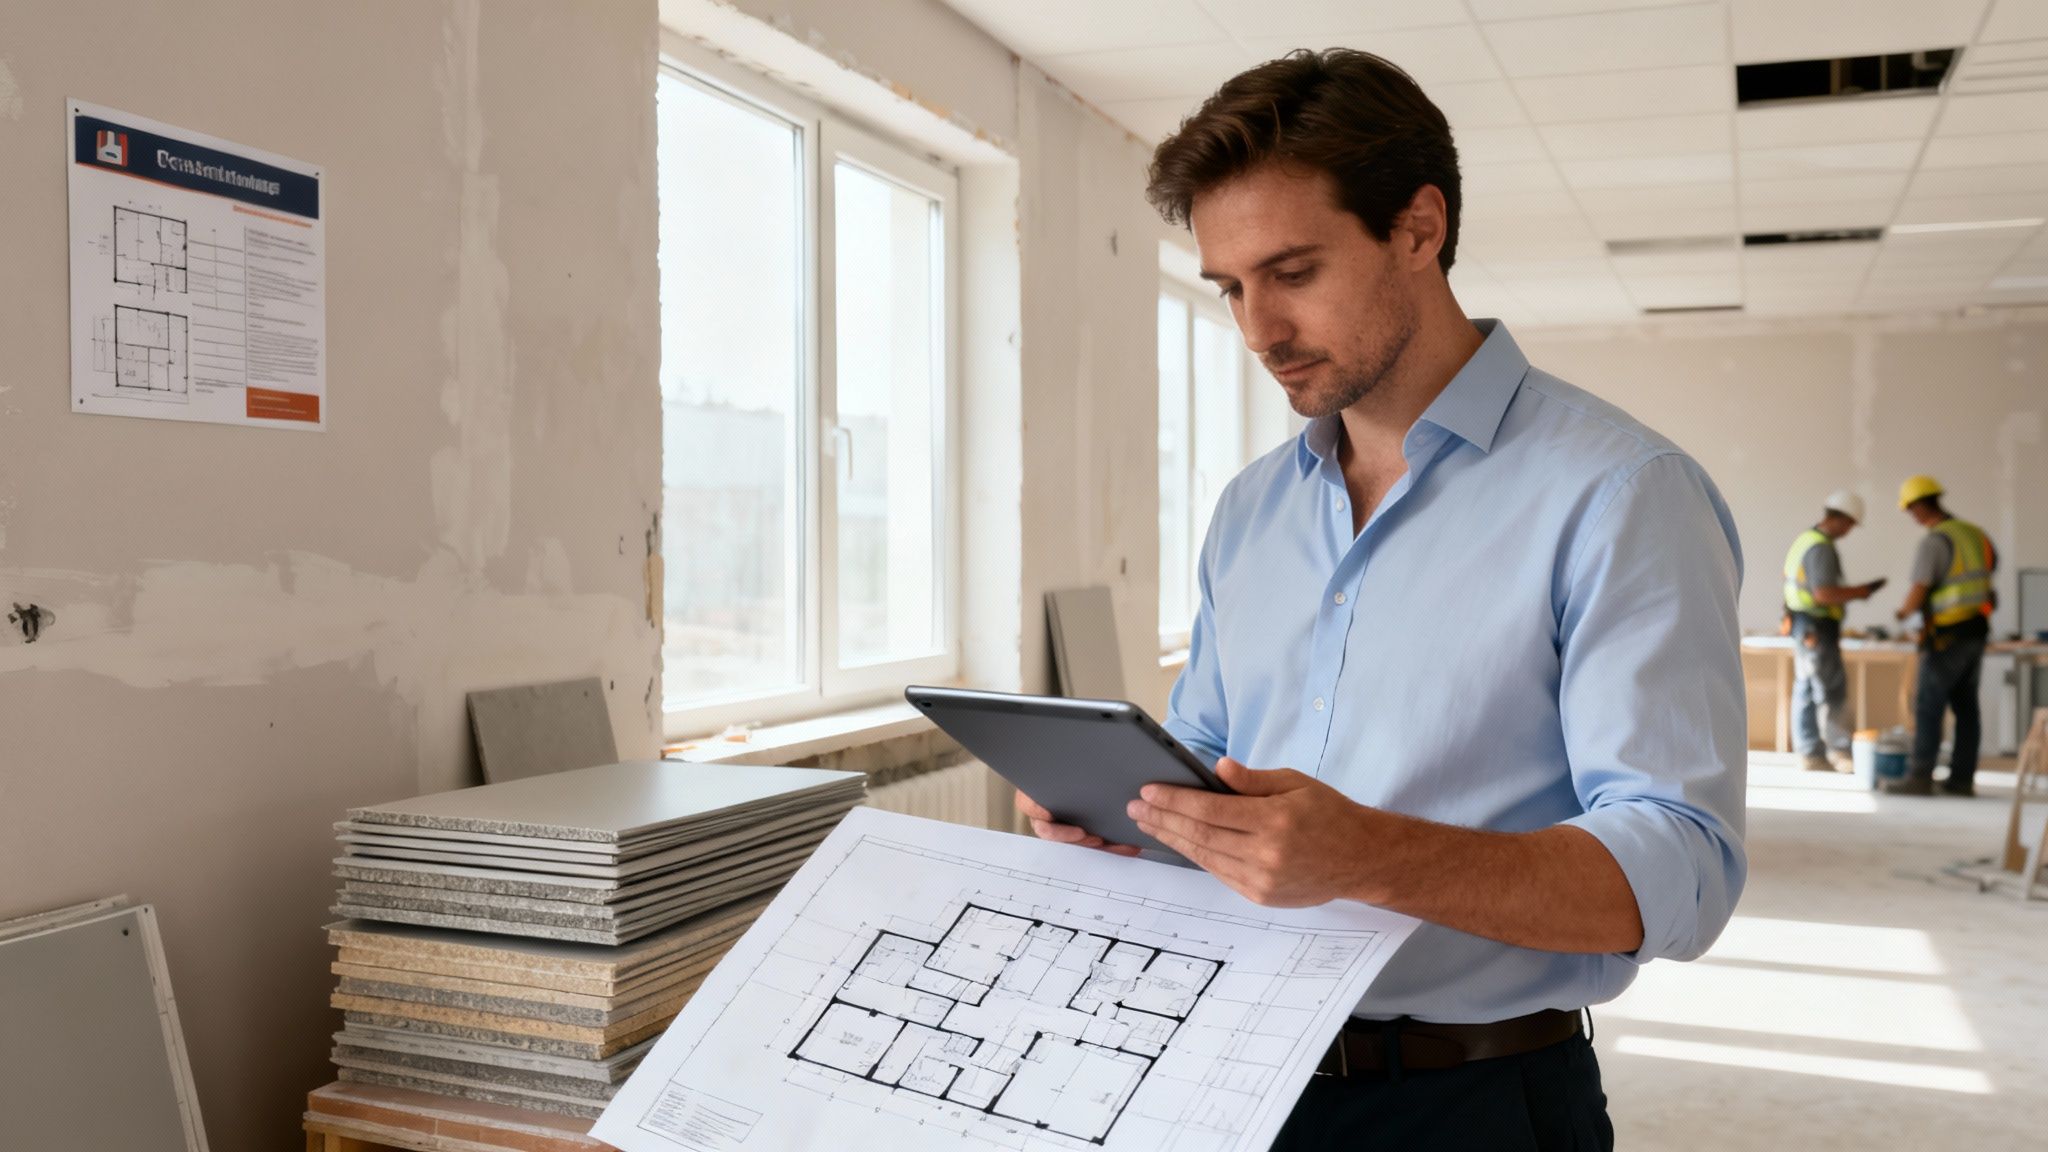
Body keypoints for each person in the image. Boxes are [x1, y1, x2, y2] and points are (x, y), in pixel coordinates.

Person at [1016, 49, 1746, 1151]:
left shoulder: (1618, 494)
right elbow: (1211, 755)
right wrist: (1130, 821)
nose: (1256, 329)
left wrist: (1366, 854)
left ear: (1416, 228)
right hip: (1225, 1073)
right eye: (1228, 287)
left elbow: (1681, 871)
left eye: (1292, 271)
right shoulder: (1251, 510)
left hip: (1469, 1101)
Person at [1883, 475, 1998, 797]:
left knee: (1929, 707)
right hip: (1976, 630)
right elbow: (1989, 572)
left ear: (1921, 505)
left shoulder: (1935, 541)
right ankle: (1962, 780)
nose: (1911, 516)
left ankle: (1919, 778)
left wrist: (1902, 614)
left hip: (1947, 635)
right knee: (1966, 708)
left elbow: (1919, 588)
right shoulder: (1975, 534)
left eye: (1910, 509)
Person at [1781, 491, 1886, 772]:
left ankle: (1810, 753)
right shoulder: (1821, 546)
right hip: (1817, 624)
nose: (1850, 531)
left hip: (1803, 624)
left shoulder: (1805, 540)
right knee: (1831, 689)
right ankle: (1840, 752)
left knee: (1805, 687)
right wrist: (1861, 592)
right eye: (1851, 524)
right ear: (1841, 519)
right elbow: (1824, 593)